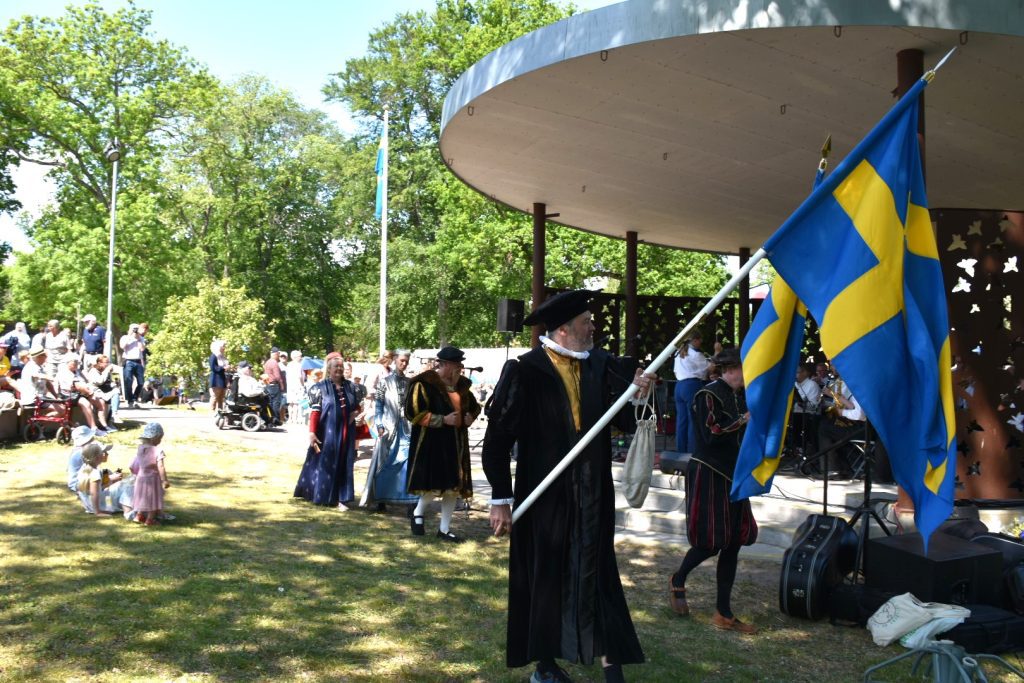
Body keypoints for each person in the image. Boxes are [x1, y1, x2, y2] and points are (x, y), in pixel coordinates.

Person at [482, 289, 653, 683]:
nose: (593, 326)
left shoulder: (601, 365)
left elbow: (624, 422)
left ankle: (613, 669)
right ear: (563, 329)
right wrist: (500, 497)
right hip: (544, 496)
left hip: (593, 494)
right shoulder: (525, 370)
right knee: (546, 576)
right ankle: (545, 665)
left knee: (598, 574)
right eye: (585, 322)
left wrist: (639, 390)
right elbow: (496, 443)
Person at [668, 347, 758, 634]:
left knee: (733, 542)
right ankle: (678, 578)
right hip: (710, 472)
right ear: (731, 369)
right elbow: (711, 434)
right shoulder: (706, 394)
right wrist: (744, 420)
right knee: (712, 541)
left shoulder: (737, 395)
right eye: (744, 368)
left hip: (735, 473)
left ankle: (724, 613)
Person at [404, 346, 480, 543]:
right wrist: (442, 420)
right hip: (433, 443)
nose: (459, 369)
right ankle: (418, 512)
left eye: (460, 365)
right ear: (444, 364)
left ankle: (444, 529)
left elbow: (473, 408)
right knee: (434, 484)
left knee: (453, 486)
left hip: (456, 444)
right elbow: (413, 412)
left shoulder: (462, 386)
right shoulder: (424, 383)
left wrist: (469, 417)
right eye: (456, 365)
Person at [294, 356, 361, 509]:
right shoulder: (320, 388)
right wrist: (312, 432)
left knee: (345, 462)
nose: (338, 369)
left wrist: (355, 414)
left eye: (340, 367)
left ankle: (341, 497)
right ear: (329, 369)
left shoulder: (351, 387)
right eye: (335, 367)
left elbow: (357, 406)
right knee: (326, 462)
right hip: (327, 432)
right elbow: (315, 413)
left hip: (347, 432)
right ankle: (324, 495)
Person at [360, 350, 418, 510]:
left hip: (406, 429)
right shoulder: (384, 382)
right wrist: (379, 425)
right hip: (388, 428)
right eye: (401, 360)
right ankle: (381, 499)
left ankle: (410, 502)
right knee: (385, 463)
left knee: (406, 463)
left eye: (406, 361)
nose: (404, 364)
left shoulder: (411, 382)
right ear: (394, 360)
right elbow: (378, 406)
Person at [672, 331, 710, 453]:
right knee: (694, 421)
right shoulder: (696, 355)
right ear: (694, 340)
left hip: (679, 386)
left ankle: (680, 451)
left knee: (681, 421)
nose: (701, 342)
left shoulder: (678, 353)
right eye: (699, 339)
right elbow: (711, 367)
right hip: (691, 386)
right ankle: (692, 452)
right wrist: (718, 351)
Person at [76, 441, 134, 519]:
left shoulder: (84, 469)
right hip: (101, 505)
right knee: (127, 486)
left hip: (89, 505)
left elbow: (82, 490)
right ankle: (130, 510)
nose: (104, 455)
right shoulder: (95, 473)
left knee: (121, 483)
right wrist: (98, 512)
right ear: (97, 457)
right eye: (102, 453)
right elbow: (94, 493)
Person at [56, 357, 111, 434]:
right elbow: (76, 386)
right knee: (86, 403)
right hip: (69, 394)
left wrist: (89, 390)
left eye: (76, 363)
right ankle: (93, 428)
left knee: (100, 402)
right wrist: (90, 393)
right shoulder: (64, 372)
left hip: (81, 393)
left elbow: (86, 381)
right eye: (73, 363)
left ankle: (104, 425)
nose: (76, 364)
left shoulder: (77, 371)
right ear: (68, 363)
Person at [132, 422, 170, 525]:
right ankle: (150, 519)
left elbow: (136, 463)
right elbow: (160, 466)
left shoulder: (140, 448)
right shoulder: (158, 451)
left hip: (141, 477)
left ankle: (139, 515)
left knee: (142, 497)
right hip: (152, 479)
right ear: (155, 437)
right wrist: (164, 480)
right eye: (160, 438)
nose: (160, 441)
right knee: (153, 499)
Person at [237, 360, 276, 425]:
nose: (250, 370)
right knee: (265, 402)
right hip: (248, 398)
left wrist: (262, 385)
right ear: (243, 369)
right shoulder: (244, 379)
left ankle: (271, 419)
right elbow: (248, 393)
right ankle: (270, 420)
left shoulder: (247, 378)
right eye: (249, 368)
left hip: (249, 397)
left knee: (265, 402)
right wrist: (260, 392)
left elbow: (255, 387)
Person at [119, 323, 146, 407]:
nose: (135, 330)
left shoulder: (141, 338)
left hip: (138, 361)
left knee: (141, 382)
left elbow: (142, 349)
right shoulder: (125, 337)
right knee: (128, 381)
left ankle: (135, 398)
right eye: (134, 329)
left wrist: (138, 338)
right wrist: (130, 336)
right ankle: (130, 401)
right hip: (128, 361)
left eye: (136, 329)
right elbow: (122, 346)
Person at [263, 347, 287, 423]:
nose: (279, 356)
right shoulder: (274, 363)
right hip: (274, 385)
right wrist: (282, 385)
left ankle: (269, 419)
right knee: (276, 403)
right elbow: (277, 376)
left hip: (268, 384)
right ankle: (275, 419)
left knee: (270, 402)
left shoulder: (267, 362)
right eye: (278, 354)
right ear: (276, 354)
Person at [208, 339, 229, 414]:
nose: (224, 348)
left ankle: (220, 413)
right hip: (216, 380)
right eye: (223, 346)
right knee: (214, 397)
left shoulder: (222, 357)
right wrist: (223, 368)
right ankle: (211, 412)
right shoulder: (213, 356)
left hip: (222, 380)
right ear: (218, 347)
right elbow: (213, 368)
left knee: (221, 398)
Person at [285, 350, 305, 424]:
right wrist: (303, 384)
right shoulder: (298, 365)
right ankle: (295, 419)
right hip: (297, 385)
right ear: (295, 357)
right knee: (296, 403)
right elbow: (300, 377)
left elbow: (286, 376)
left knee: (290, 403)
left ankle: (290, 419)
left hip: (290, 386)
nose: (301, 358)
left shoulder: (289, 365)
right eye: (300, 356)